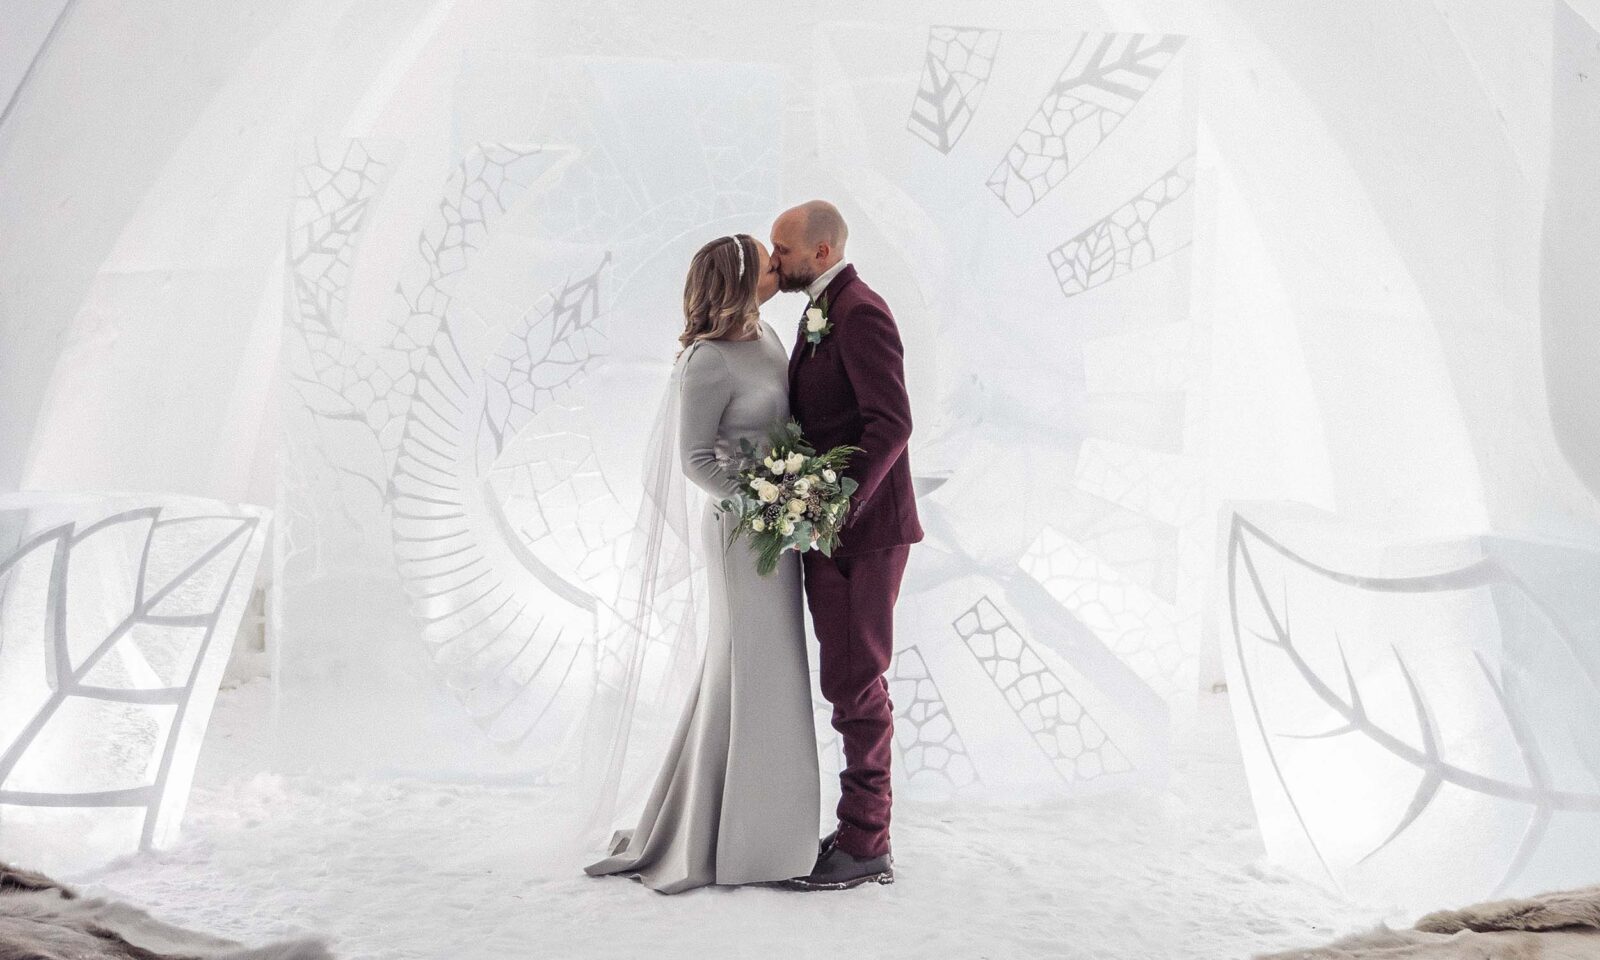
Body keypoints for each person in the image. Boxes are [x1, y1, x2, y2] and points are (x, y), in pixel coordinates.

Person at [583, 233, 820, 894]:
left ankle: (764, 837)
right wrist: (764, 500)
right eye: (768, 263)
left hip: (778, 525)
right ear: (741, 279)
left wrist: (795, 493)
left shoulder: (767, 336)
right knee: (745, 670)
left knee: (771, 676)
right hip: (741, 533)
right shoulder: (707, 361)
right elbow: (695, 461)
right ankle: (732, 847)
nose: (779, 269)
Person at [769, 200, 924, 890]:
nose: (776, 261)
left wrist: (837, 506)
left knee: (857, 680)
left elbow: (892, 422)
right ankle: (861, 828)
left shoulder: (860, 311)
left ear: (823, 252)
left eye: (784, 250)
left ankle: (867, 843)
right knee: (845, 679)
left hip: (865, 533)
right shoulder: (817, 310)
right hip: (831, 532)